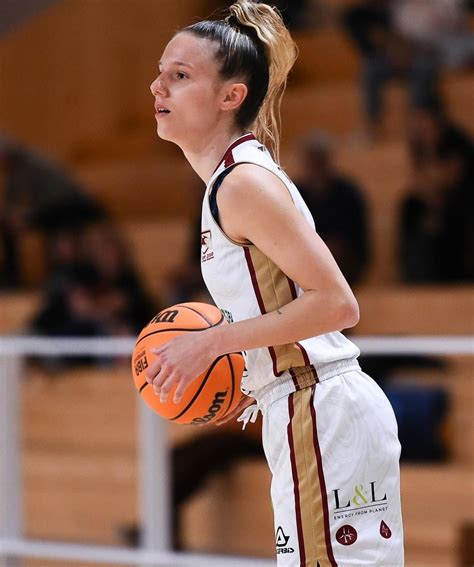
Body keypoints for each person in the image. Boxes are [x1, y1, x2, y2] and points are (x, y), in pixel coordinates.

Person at [147, 2, 404, 565]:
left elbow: (337, 304)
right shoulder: (232, 178)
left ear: (230, 96)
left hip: (318, 404)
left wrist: (210, 343)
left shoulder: (242, 183)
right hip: (309, 404)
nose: (156, 86)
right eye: (161, 71)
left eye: (180, 75)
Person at [296, 131, 371, 285]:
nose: (316, 165)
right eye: (312, 159)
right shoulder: (295, 193)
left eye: (320, 159)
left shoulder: (349, 193)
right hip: (303, 264)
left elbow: (359, 239)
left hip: (345, 268)